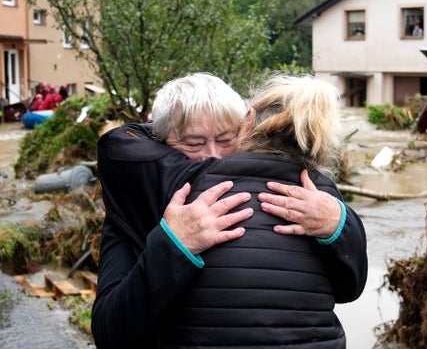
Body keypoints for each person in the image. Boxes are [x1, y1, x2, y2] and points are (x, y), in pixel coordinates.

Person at [92, 73, 367, 348]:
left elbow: (347, 288)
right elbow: (110, 332)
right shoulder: (140, 195)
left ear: (246, 127)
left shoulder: (315, 201)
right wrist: (174, 245)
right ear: (158, 142)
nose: (212, 155)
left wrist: (338, 223)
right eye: (193, 143)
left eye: (225, 139)